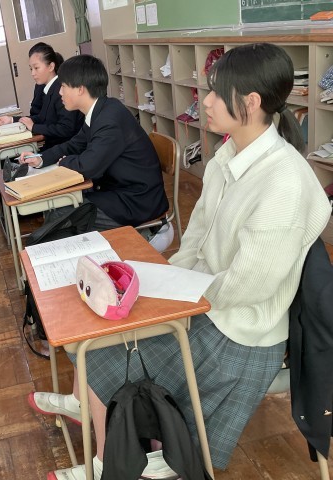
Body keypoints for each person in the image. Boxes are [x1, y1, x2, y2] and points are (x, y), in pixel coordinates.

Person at [28, 43, 331, 479]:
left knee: (98, 350)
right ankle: (91, 412)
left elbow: (250, 287)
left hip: (237, 332)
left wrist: (176, 301)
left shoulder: (284, 181)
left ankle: (106, 464)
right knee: (94, 330)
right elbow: (197, 237)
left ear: (250, 103)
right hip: (204, 302)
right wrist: (169, 281)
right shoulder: (229, 155)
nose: (206, 101)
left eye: (217, 93)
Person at [19, 54, 168, 232]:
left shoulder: (109, 119)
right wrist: (41, 158)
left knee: (63, 212)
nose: (60, 93)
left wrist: (64, 162)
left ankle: (144, 235)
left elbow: (88, 166)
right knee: (61, 207)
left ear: (80, 89)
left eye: (63, 87)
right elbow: (74, 144)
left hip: (136, 201)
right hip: (117, 190)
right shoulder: (101, 110)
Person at [0, 42, 83, 151]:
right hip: (54, 147)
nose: (33, 73)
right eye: (31, 69)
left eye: (36, 68)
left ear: (51, 66)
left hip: (66, 149)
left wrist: (34, 127)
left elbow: (66, 128)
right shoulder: (49, 89)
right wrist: (12, 120)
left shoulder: (61, 90)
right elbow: (41, 118)